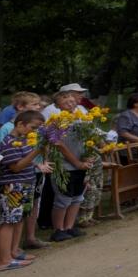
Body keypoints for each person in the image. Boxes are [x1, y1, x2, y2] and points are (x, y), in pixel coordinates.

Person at [0, 110, 49, 270]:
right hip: (13, 186)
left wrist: (39, 160)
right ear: (20, 124)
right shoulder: (9, 143)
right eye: (33, 128)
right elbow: (15, 167)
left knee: (19, 219)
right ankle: (4, 259)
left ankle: (13, 251)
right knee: (9, 221)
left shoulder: (21, 141)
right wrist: (36, 151)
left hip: (25, 184)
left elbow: (25, 162)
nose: (34, 132)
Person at [50, 92, 92, 242]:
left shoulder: (82, 119)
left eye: (72, 101)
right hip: (65, 166)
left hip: (81, 165)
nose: (70, 104)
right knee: (63, 198)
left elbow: (90, 137)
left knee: (77, 197)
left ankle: (69, 226)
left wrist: (89, 154)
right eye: (65, 102)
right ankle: (58, 229)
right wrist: (76, 162)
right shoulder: (57, 122)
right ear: (57, 106)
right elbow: (59, 145)